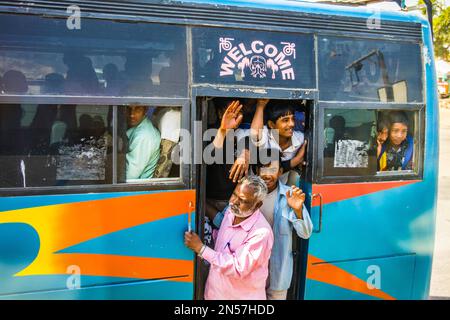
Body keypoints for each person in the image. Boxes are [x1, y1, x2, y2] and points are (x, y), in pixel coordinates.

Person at [212, 148, 313, 300]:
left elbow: (305, 233)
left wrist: (298, 210)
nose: (267, 174)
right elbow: (225, 221)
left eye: (272, 169)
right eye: (263, 168)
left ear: (280, 172)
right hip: (247, 276)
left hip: (277, 275)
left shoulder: (289, 197)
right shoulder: (245, 193)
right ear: (257, 170)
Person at [185, 175, 274, 300]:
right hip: (215, 294)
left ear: (257, 205)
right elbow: (223, 239)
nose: (234, 202)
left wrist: (201, 248)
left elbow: (238, 268)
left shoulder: (261, 233)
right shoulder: (231, 212)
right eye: (234, 194)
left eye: (242, 200)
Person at [250, 99, 307, 184]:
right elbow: (255, 136)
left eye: (293, 119)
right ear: (271, 125)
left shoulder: (300, 139)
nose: (292, 124)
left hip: (280, 187)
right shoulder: (265, 134)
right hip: (255, 186)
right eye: (285, 120)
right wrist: (260, 105)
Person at [126, 105, 161, 180]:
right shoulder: (138, 126)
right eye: (129, 109)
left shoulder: (143, 136)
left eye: (137, 110)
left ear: (145, 111)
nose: (132, 114)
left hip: (137, 188)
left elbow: (130, 176)